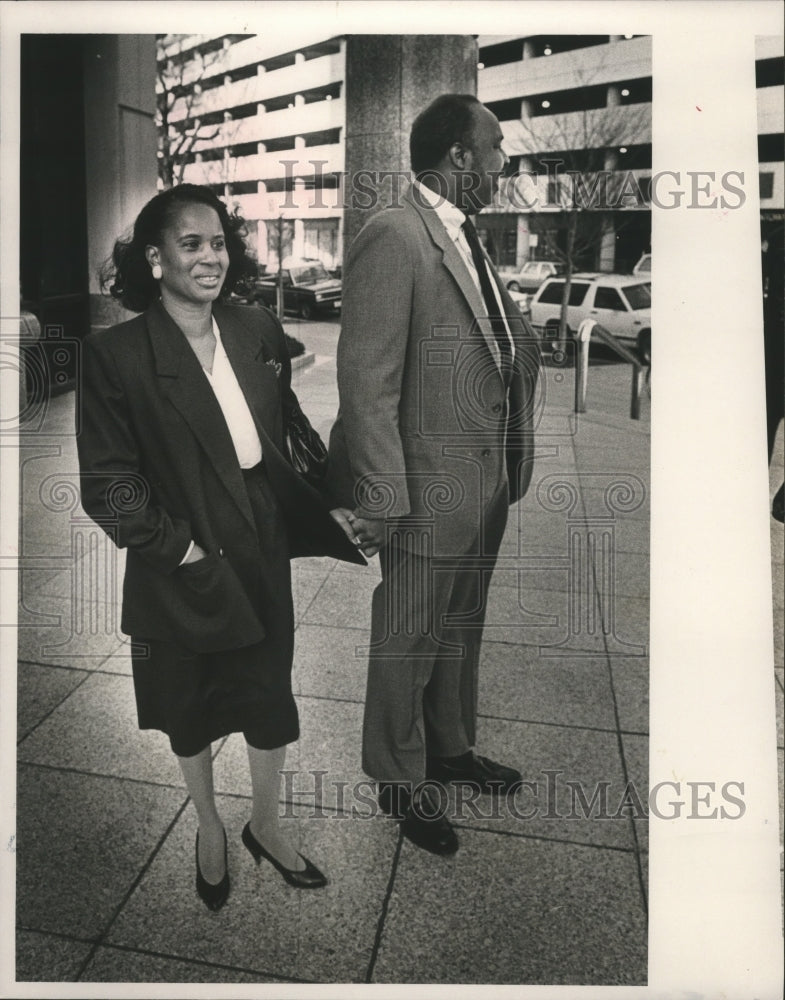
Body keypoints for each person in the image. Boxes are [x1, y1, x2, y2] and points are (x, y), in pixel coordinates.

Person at [77, 184, 364, 911]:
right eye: (190, 243)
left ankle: (265, 824)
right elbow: (108, 482)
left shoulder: (254, 327)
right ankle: (208, 825)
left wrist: (330, 500)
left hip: (259, 541)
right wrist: (181, 551)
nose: (210, 257)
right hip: (179, 558)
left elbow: (290, 430)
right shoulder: (117, 354)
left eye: (217, 243)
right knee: (189, 703)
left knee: (268, 693)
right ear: (154, 257)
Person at [328, 94, 541, 855]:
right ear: (458, 156)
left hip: (481, 485)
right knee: (408, 636)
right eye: (494, 148)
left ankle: (448, 749)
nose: (502, 163)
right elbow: (367, 382)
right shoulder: (394, 234)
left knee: (458, 630)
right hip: (421, 491)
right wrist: (382, 494)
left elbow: (497, 348)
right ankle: (398, 776)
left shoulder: (466, 238)